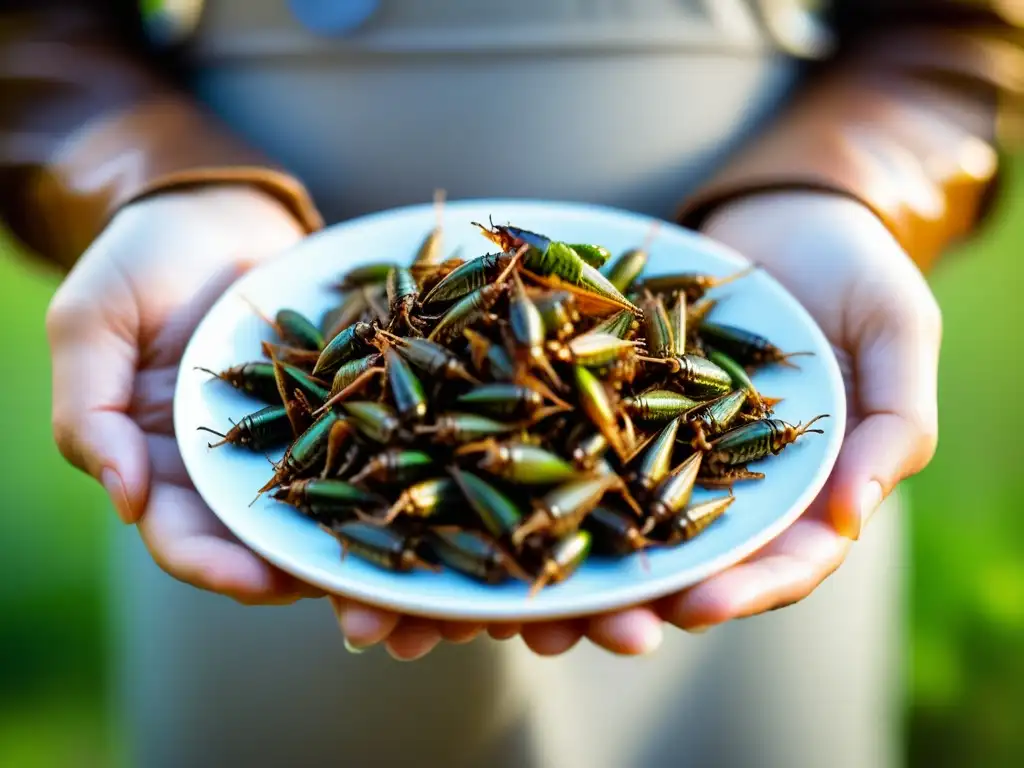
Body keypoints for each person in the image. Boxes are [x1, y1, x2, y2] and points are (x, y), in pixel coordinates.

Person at [2, 1, 1020, 766]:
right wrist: (145, 172)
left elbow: (964, 30)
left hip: (746, 476)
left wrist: (848, 183)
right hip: (248, 423)